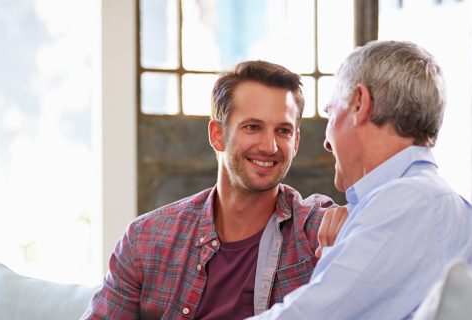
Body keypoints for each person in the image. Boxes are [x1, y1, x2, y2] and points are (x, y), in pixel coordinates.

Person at [249, 40, 472, 319]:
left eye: (330, 113)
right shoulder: (417, 199)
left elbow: (308, 316)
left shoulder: (409, 203)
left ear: (359, 103)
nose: (327, 142)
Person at [81, 60, 337, 319]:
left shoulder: (316, 233)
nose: (270, 146)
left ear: (295, 143)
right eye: (252, 127)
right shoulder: (146, 240)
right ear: (217, 135)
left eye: (283, 131)